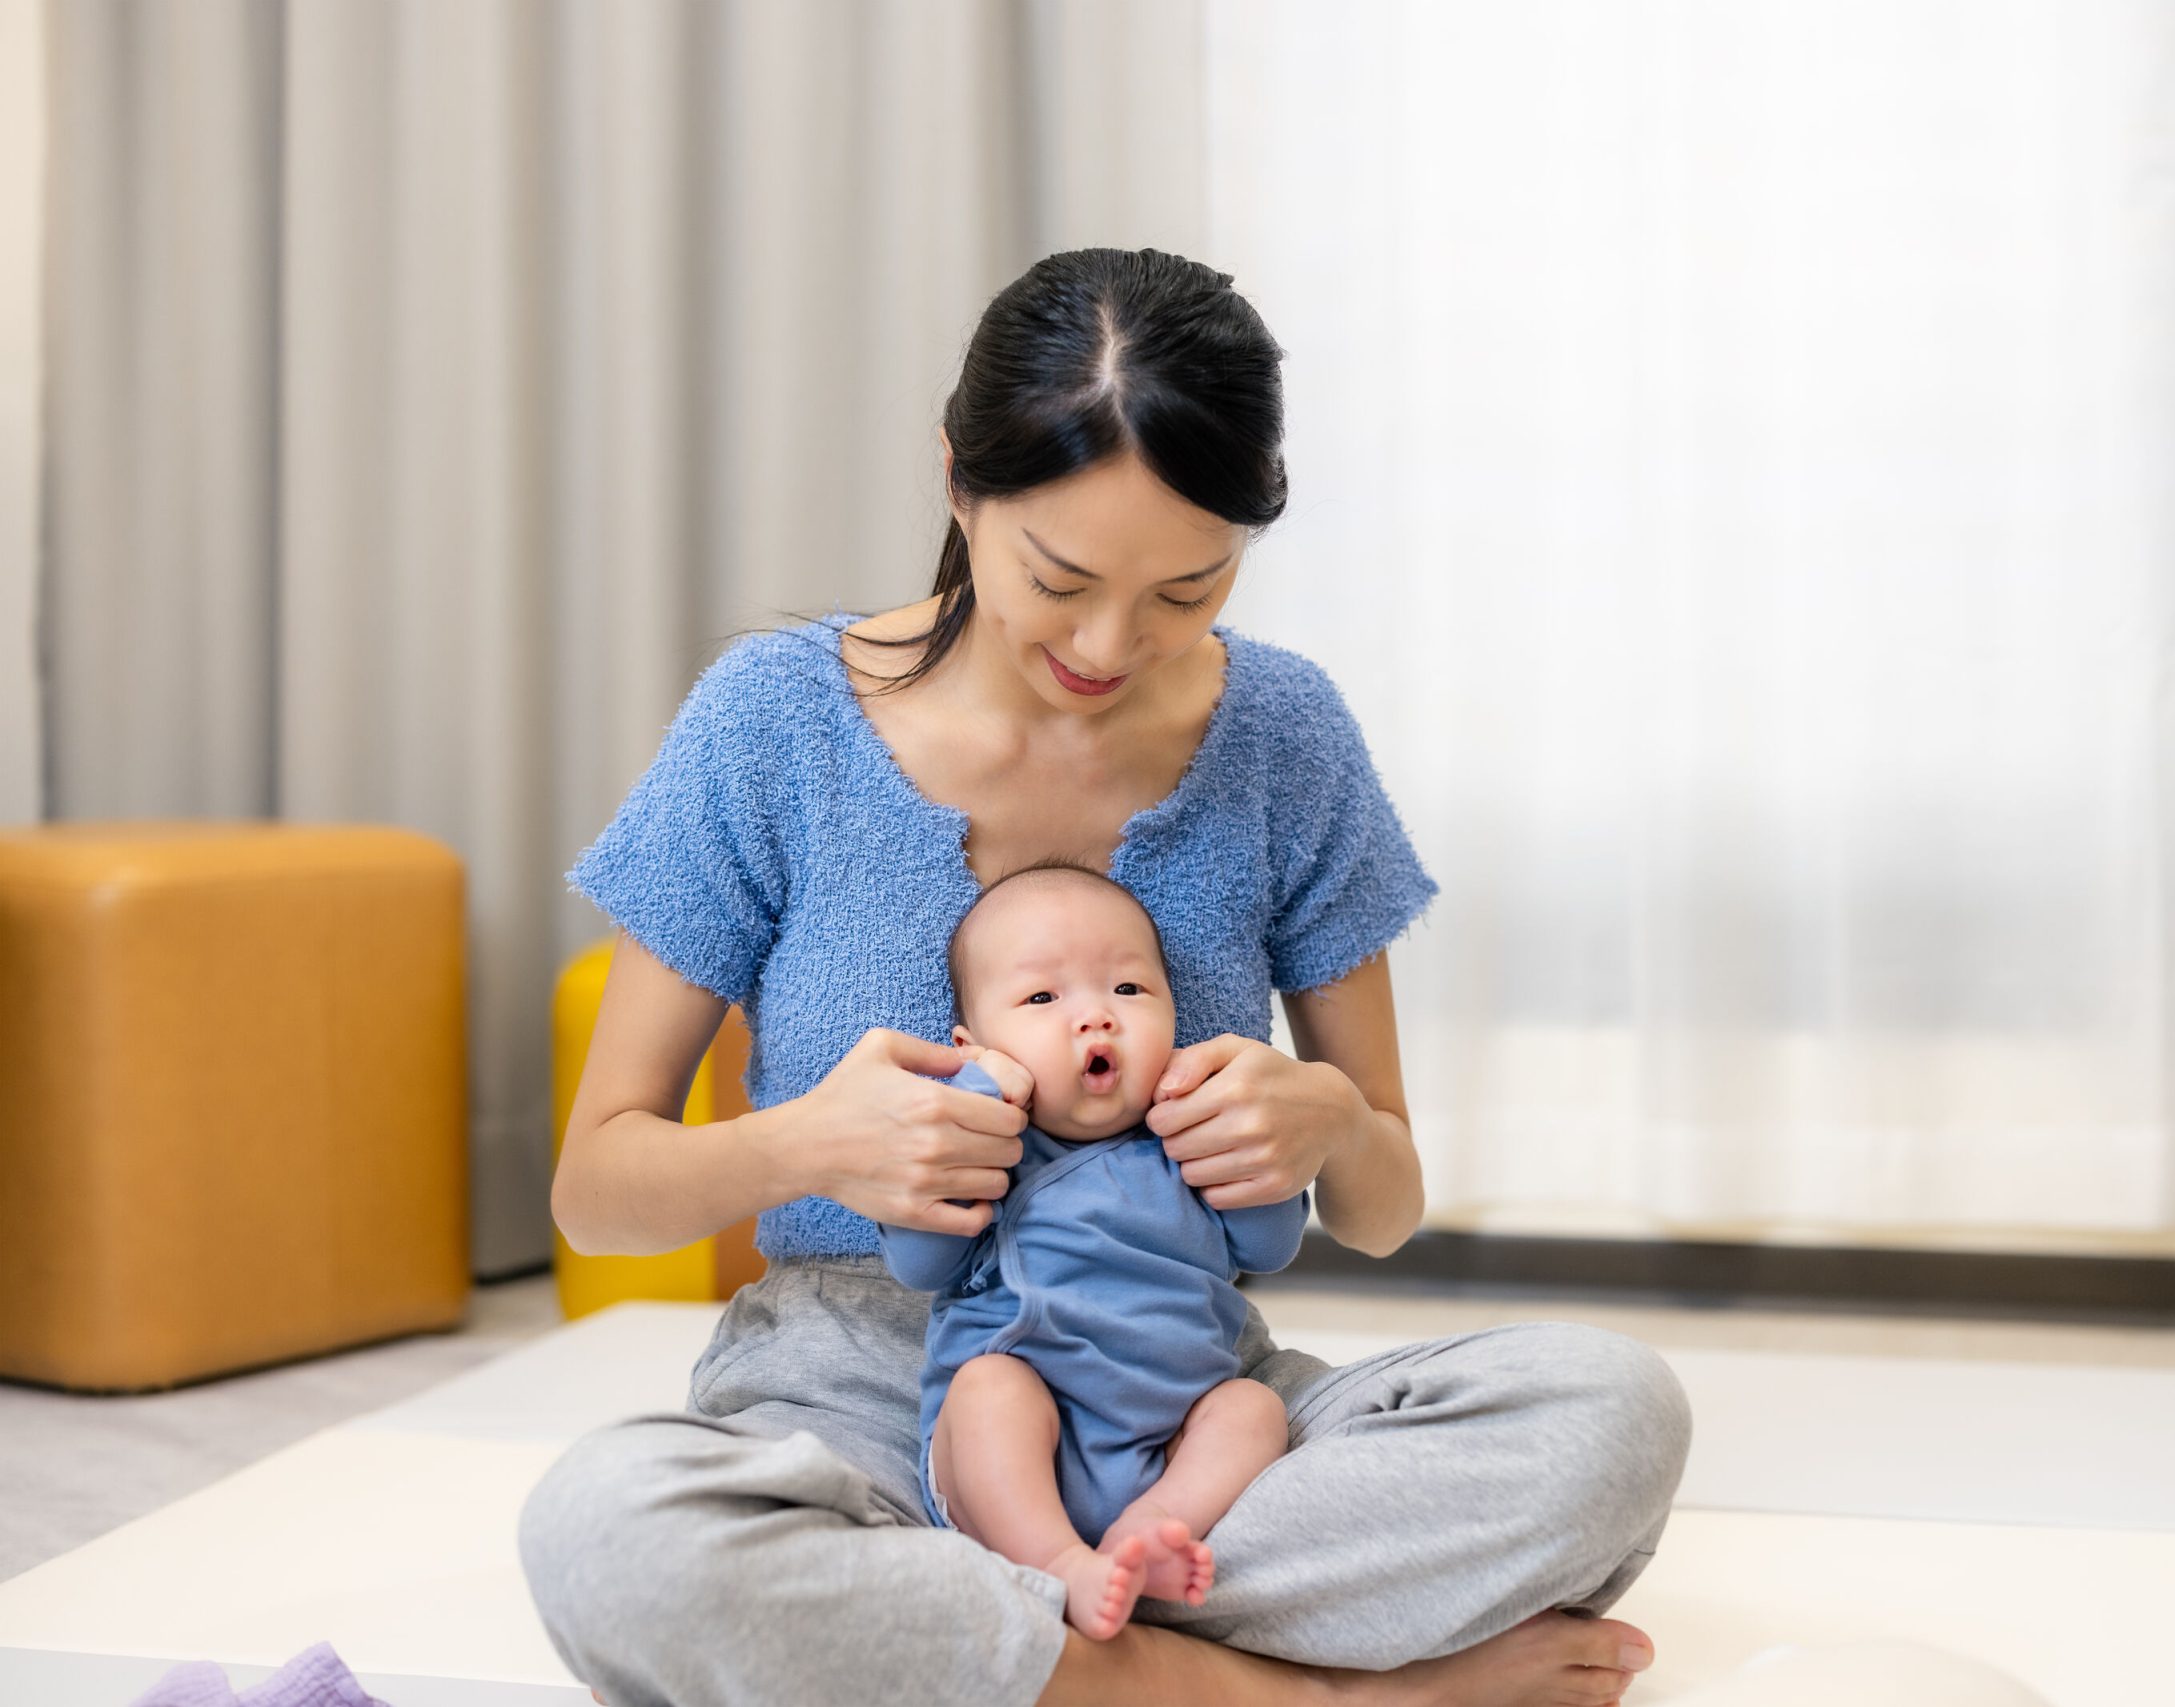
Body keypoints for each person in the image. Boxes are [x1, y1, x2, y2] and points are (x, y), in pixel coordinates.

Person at [521, 246, 1691, 1707]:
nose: (1105, 646)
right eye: (1057, 578)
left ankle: (1011, 1647)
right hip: (862, 1397)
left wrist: (1324, 1119)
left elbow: (1385, 1205)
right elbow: (595, 1186)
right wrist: (814, 1140)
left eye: (1185, 592)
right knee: (615, 1533)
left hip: (1192, 1411)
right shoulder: (775, 723)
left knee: (1607, 1413)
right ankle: (1323, 1694)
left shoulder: (1282, 733)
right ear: (959, 481)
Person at [881, 861, 1306, 1641]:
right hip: (1012, 1452)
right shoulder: (1000, 1151)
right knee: (989, 1389)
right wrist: (977, 1097)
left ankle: (1147, 1533)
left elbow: (1270, 1245)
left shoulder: (1183, 1143)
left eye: (1129, 991)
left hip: (1166, 1438)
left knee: (1252, 1409)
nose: (1095, 1019)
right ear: (976, 1045)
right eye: (1043, 998)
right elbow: (917, 1262)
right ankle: (1057, 1559)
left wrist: (1254, 1139)